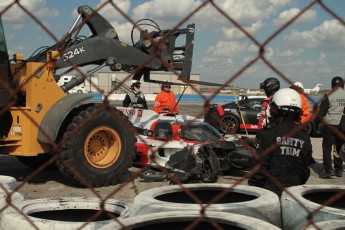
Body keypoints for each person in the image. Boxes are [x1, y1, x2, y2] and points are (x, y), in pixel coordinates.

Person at [248, 88, 313, 196]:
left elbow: (259, 171)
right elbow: (305, 171)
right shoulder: (304, 136)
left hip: (270, 194)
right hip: (295, 195)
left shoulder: (268, 134)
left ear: (275, 109)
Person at [316, 76, 345, 178]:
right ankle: (339, 170)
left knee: (327, 147)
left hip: (330, 124)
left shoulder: (329, 95)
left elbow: (322, 111)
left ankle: (328, 170)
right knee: (338, 147)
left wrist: (315, 123)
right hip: (342, 125)